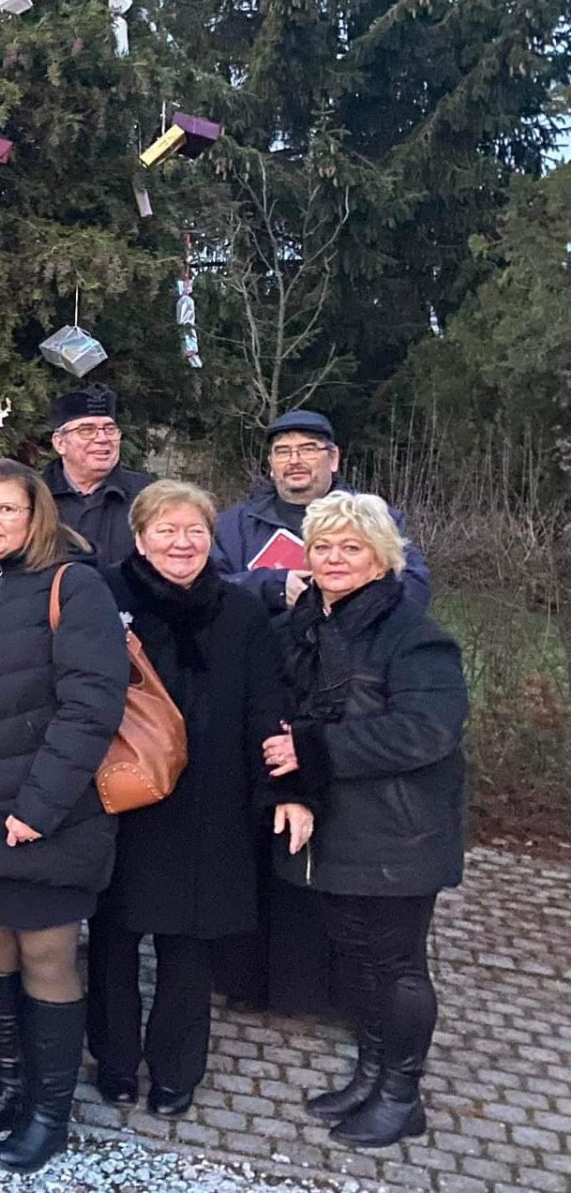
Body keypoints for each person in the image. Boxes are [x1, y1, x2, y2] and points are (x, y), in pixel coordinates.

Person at [0, 458, 129, 1174]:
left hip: (50, 813)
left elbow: (92, 706)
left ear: (34, 514)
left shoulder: (75, 586)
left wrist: (38, 807)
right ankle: (9, 1089)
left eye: (6, 509)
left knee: (47, 958)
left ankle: (50, 1112)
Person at [85, 482, 311, 1118]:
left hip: (213, 798)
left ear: (211, 539)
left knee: (190, 944)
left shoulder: (238, 610)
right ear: (139, 537)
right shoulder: (104, 595)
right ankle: (116, 1060)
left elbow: (268, 702)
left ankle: (177, 1070)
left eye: (194, 531)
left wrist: (285, 784)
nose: (181, 544)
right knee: (114, 937)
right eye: (166, 530)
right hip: (124, 792)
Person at [259, 491, 467, 1150]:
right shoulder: (306, 625)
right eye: (323, 547)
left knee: (398, 963)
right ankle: (371, 1072)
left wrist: (315, 754)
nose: (335, 558)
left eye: (352, 548)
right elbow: (285, 714)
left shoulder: (412, 633)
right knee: (356, 956)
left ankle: (402, 1095)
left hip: (401, 829)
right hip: (341, 827)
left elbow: (427, 730)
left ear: (381, 560)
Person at [214, 410, 432, 615]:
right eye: (282, 451)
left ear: (334, 458)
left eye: (308, 449)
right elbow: (206, 589)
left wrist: (346, 589)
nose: (294, 460)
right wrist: (272, 588)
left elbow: (415, 588)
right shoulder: (230, 527)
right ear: (271, 464)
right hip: (263, 650)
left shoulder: (378, 519)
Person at [41, 385, 154, 563]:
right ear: (60, 443)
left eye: (110, 429)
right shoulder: (34, 494)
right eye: (86, 430)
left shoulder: (148, 494)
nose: (102, 438)